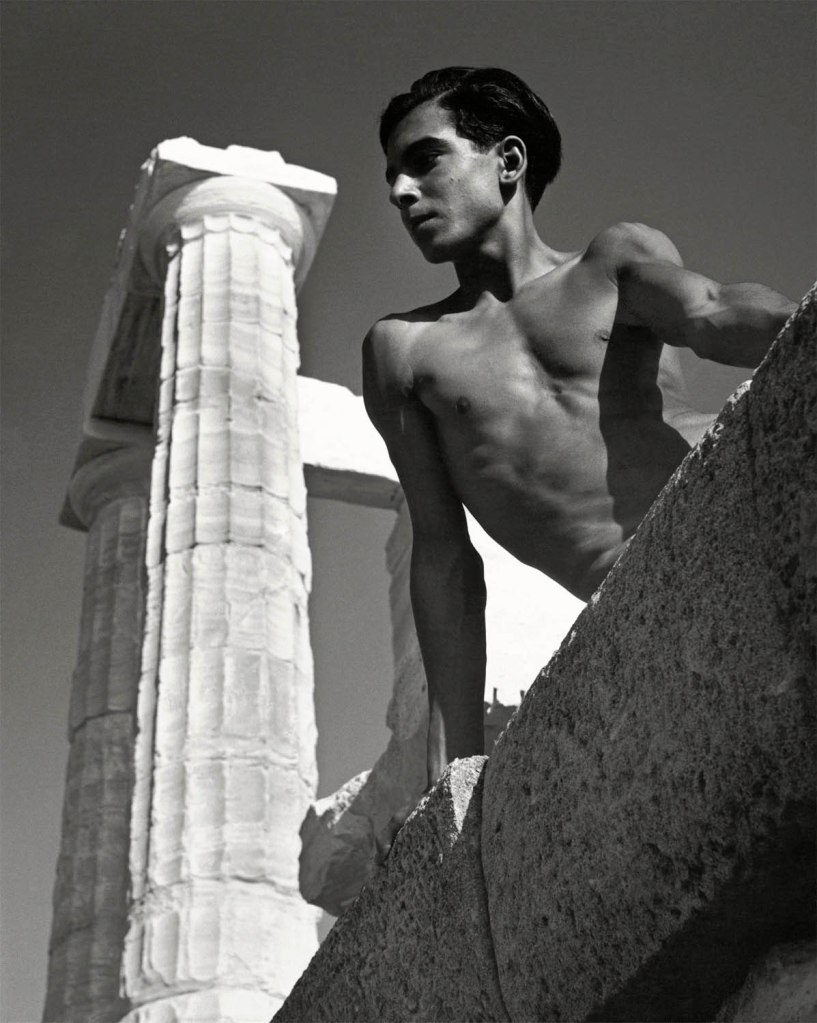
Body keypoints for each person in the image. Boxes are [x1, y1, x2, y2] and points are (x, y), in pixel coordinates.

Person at [362, 66, 796, 807]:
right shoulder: (403, 350)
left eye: (425, 160)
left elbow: (714, 313)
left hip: (740, 523)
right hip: (638, 602)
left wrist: (799, 324)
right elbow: (442, 553)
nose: (401, 192)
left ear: (506, 161)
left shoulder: (610, 261)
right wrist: (456, 770)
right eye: (392, 176)